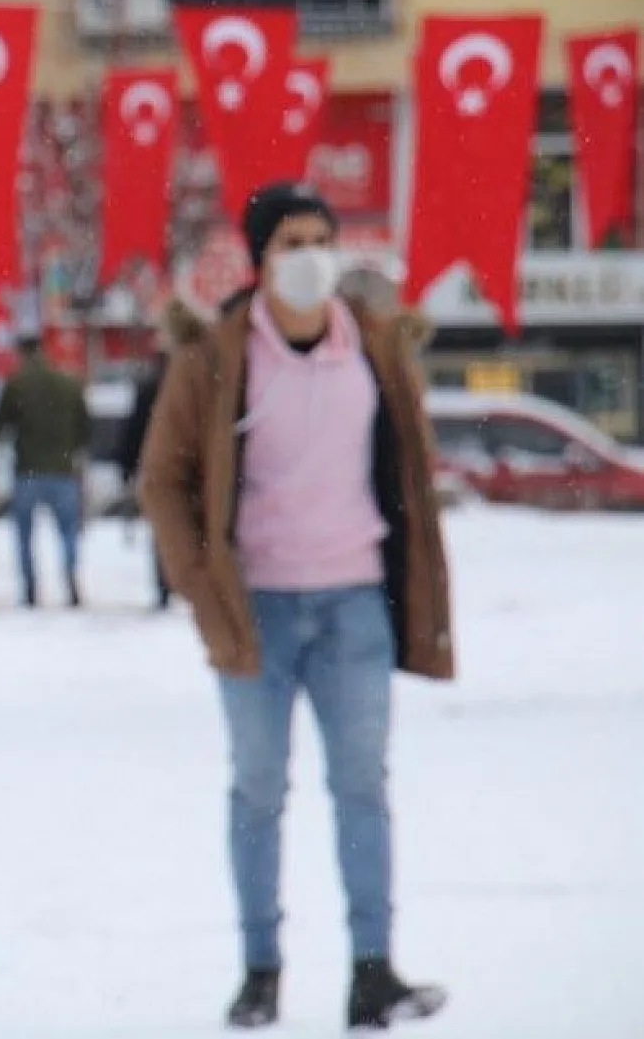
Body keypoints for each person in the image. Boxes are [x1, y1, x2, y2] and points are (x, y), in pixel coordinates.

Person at [137, 182, 454, 1031]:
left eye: (322, 238)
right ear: (261, 258)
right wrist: (204, 589)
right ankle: (260, 969)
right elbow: (161, 479)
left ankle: (373, 969)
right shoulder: (215, 358)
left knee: (362, 786)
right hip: (259, 612)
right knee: (257, 791)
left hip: (356, 601)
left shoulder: (376, 348)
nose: (312, 255)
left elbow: (413, 470)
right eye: (291, 242)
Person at [0, 333, 91, 608]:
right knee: (68, 530)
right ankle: (70, 572)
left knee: (24, 534)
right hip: (64, 470)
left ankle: (29, 587)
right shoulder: (68, 384)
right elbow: (85, 427)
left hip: (27, 470)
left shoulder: (16, 384)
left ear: (22, 353)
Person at [114, 347, 172, 610]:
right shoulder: (199, 382)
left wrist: (126, 467)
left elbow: (134, 429)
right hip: (193, 468)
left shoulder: (149, 387)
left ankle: (163, 586)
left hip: (159, 467)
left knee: (163, 531)